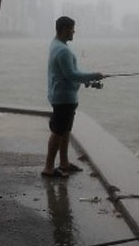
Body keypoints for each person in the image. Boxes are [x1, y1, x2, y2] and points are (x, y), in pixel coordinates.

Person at [43, 16, 104, 178]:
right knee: (58, 132)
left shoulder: (56, 44)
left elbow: (67, 74)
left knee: (65, 131)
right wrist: (94, 75)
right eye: (71, 28)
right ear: (64, 29)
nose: (74, 31)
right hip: (63, 98)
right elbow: (71, 74)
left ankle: (63, 163)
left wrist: (86, 81)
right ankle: (48, 168)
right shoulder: (62, 50)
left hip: (63, 95)